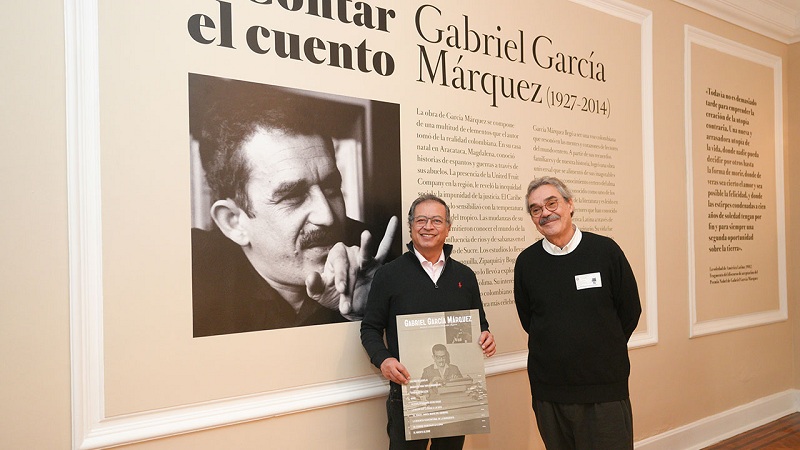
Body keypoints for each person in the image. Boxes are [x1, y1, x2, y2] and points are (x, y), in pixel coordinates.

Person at [190, 74, 398, 337]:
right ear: (234, 222)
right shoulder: (185, 281)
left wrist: (370, 315)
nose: (327, 217)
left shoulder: (385, 263)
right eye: (293, 196)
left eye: (331, 187)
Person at [514, 176, 642, 450]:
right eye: (536, 209)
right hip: (549, 391)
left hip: (604, 388)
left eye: (552, 203)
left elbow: (630, 310)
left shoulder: (605, 251)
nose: (545, 213)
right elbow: (530, 320)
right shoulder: (526, 263)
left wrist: (602, 348)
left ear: (570, 204)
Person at [361, 194, 496, 450]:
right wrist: (384, 360)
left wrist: (486, 336)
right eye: (421, 220)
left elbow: (478, 324)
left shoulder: (465, 276)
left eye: (436, 220)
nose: (428, 226)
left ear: (448, 227)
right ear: (411, 226)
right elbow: (369, 329)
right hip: (409, 393)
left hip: (453, 397)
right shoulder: (388, 275)